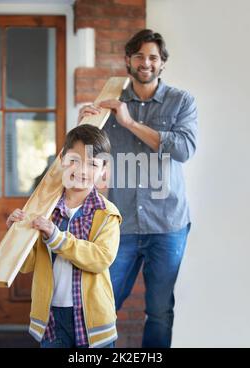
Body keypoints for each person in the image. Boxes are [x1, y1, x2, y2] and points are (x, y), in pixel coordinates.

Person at [78, 29, 198, 348]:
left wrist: (130, 123)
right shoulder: (109, 106)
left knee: (159, 311)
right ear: (128, 60)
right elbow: (89, 162)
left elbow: (184, 150)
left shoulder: (181, 102)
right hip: (122, 225)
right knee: (103, 307)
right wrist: (82, 127)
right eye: (139, 56)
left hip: (168, 224)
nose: (146, 62)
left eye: (153, 57)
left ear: (163, 64)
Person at [6, 124, 122, 348]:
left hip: (94, 323)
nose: (81, 170)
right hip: (52, 319)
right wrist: (16, 235)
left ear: (104, 170)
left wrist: (56, 238)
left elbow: (100, 259)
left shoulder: (107, 215)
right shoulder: (43, 210)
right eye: (74, 160)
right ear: (61, 160)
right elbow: (28, 265)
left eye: (93, 164)